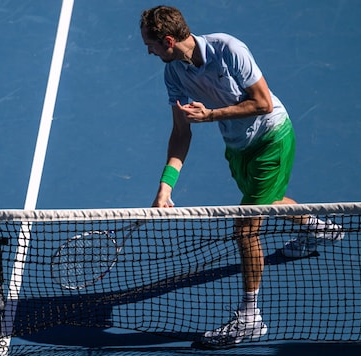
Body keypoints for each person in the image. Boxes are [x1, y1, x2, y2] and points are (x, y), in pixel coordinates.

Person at [139, 5, 344, 347]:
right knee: (268, 199)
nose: (148, 50)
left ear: (169, 41)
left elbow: (263, 102)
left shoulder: (228, 49)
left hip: (272, 137)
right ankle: (317, 228)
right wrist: (165, 187)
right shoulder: (173, 73)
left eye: (151, 44)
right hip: (238, 145)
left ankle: (250, 318)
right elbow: (180, 132)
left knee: (245, 227)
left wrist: (212, 115)